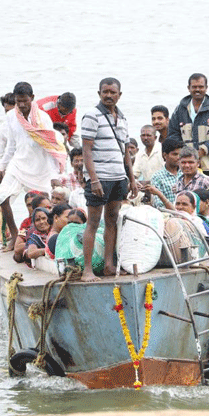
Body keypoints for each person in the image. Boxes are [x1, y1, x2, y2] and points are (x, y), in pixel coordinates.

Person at [0, 82, 67, 252]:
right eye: (18, 101)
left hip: (41, 166)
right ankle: (14, 235)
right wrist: (1, 167)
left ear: (32, 98)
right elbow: (11, 145)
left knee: (48, 205)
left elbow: (50, 146)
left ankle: (49, 241)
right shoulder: (11, 116)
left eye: (24, 101)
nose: (21, 105)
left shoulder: (43, 118)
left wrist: (53, 175)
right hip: (19, 164)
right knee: (2, 197)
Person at [81, 77, 137, 281]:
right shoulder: (92, 116)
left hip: (118, 177)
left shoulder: (122, 118)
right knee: (93, 222)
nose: (109, 95)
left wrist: (131, 179)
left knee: (112, 220)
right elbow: (86, 150)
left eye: (113, 92)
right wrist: (93, 179)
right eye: (105, 92)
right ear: (99, 93)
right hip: (100, 178)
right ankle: (87, 270)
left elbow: (126, 153)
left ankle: (108, 265)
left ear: (119, 95)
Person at [167, 73, 209, 187]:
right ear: (188, 88)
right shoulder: (180, 109)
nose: (197, 90)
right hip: (187, 164)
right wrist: (186, 153)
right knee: (187, 197)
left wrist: (203, 150)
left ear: (206, 88)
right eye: (194, 87)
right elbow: (173, 134)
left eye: (201, 87)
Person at [143, 138, 183, 210]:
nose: (178, 158)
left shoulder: (185, 173)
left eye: (180, 155)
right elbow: (158, 205)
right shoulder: (157, 177)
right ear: (165, 155)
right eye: (175, 154)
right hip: (168, 215)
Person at [0, 93, 16, 163]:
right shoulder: (2, 130)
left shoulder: (30, 125)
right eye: (7, 111)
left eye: (12, 111)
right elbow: (0, 155)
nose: (9, 114)